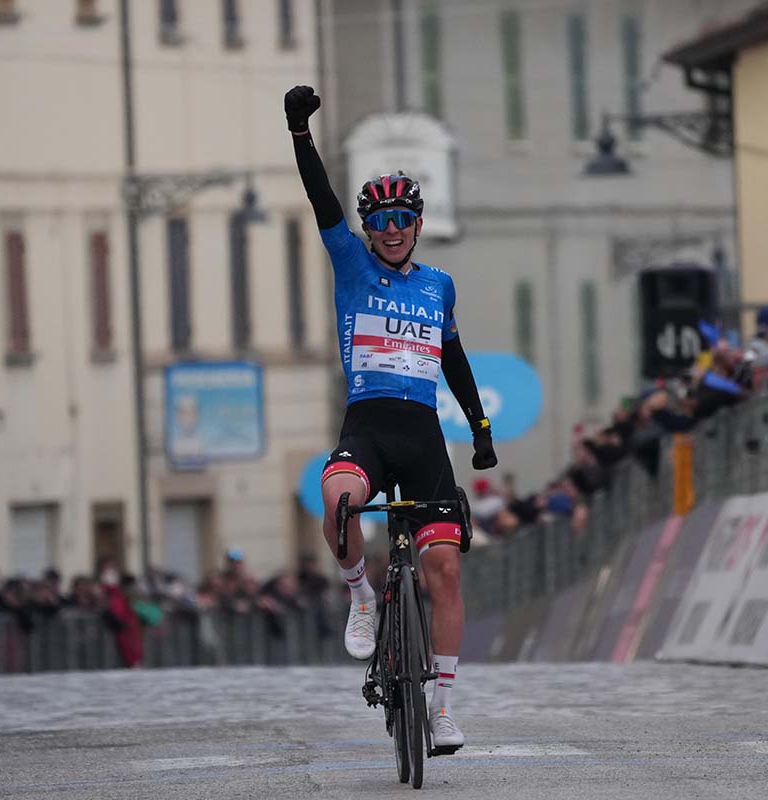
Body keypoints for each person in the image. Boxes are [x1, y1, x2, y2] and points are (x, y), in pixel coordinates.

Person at [285, 85, 497, 751]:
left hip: (424, 435)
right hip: (369, 428)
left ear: (417, 222)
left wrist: (482, 432)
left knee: (446, 572)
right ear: (369, 230)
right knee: (339, 500)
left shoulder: (439, 285)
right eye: (381, 222)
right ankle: (362, 597)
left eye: (403, 219)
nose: (392, 229)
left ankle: (441, 708)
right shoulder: (351, 265)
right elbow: (322, 203)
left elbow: (456, 361)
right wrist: (300, 135)